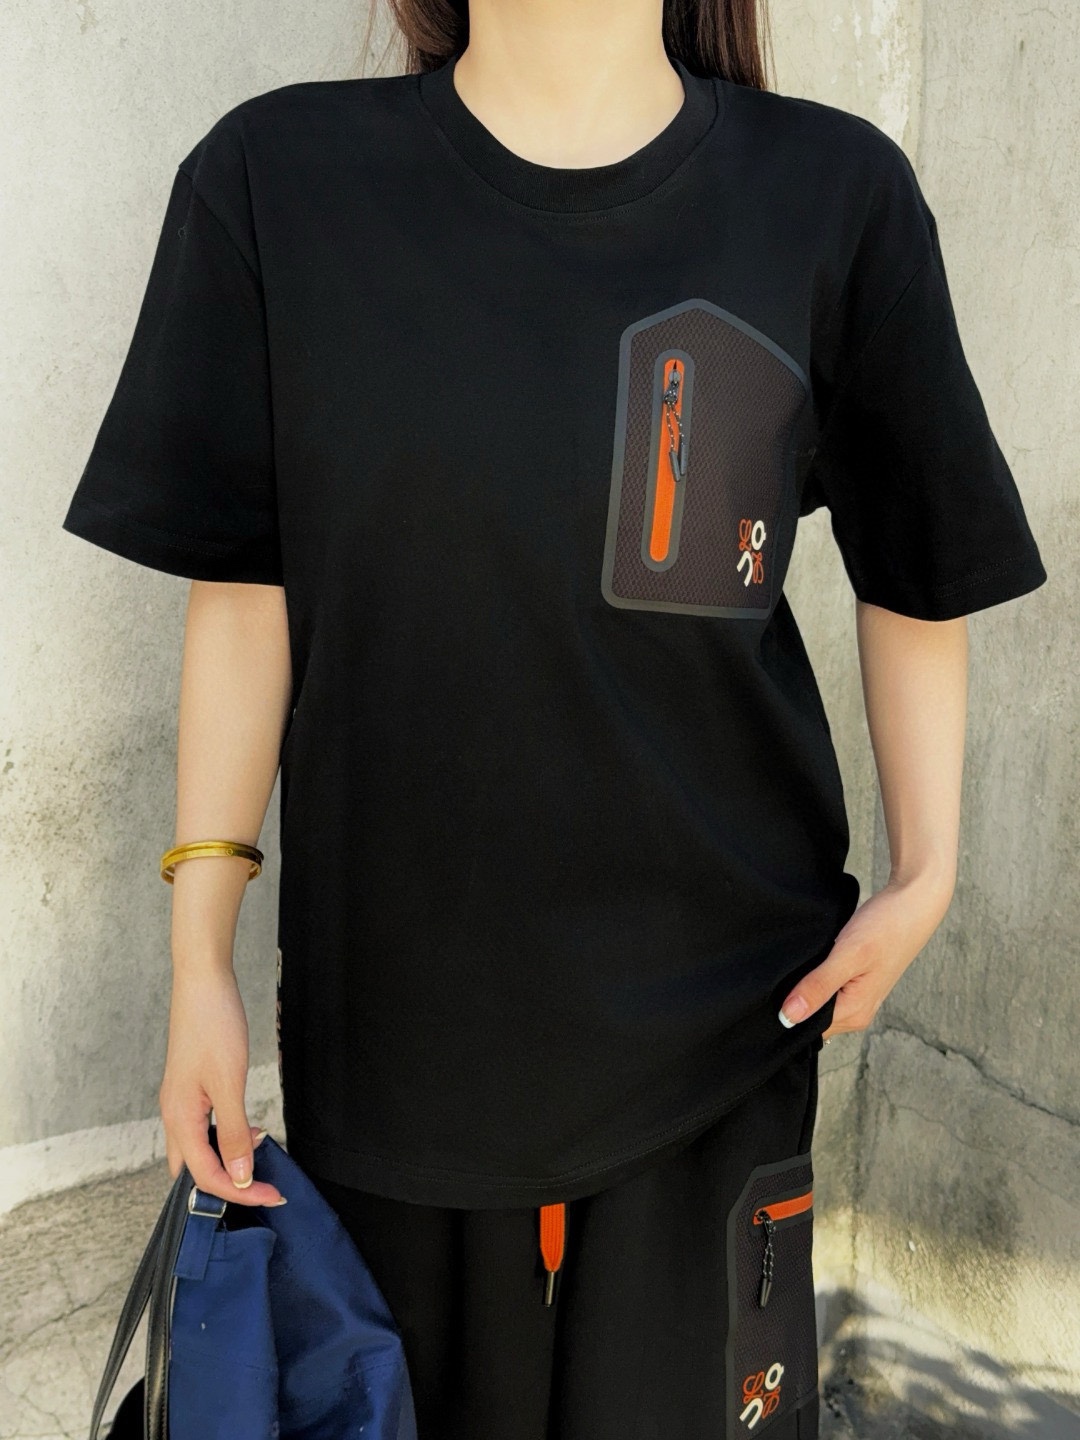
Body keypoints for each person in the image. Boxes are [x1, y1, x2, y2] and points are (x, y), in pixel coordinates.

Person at [61, 1, 1047, 1435]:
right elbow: (248, 589)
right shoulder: (277, 183)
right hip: (399, 1039)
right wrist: (195, 957)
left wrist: (929, 869)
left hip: (725, 1023)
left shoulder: (832, 194)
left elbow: (921, 556)